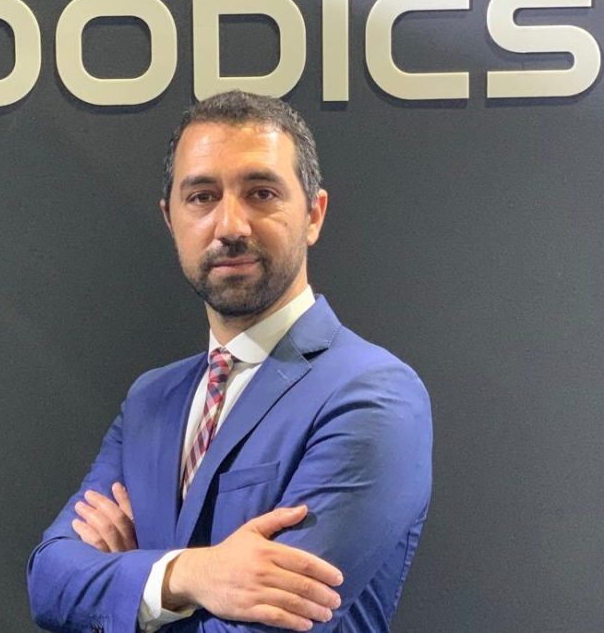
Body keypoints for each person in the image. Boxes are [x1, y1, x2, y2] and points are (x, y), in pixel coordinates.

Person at [27, 90, 432, 632]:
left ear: (313, 214)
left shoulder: (371, 396)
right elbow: (49, 581)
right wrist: (190, 575)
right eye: (202, 197)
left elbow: (272, 627)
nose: (230, 226)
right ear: (170, 220)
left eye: (261, 193)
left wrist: (128, 587)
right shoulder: (152, 399)